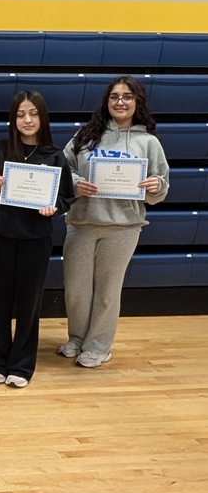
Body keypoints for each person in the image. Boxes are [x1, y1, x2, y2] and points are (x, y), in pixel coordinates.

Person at [59, 76, 169, 368]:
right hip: (82, 222)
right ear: (106, 102)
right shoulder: (85, 136)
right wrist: (76, 182)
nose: (120, 102)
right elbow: (62, 169)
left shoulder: (148, 142)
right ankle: (78, 338)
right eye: (115, 96)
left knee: (108, 290)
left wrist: (155, 186)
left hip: (123, 227)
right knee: (76, 288)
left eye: (127, 96)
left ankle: (98, 345)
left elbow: (161, 186)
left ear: (137, 103)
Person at [0, 91, 74, 388]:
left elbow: (67, 197)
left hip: (35, 239)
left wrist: (55, 206)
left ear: (42, 117)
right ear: (13, 118)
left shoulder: (55, 155)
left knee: (29, 304)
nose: (27, 120)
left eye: (33, 113)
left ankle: (21, 365)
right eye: (20, 114)